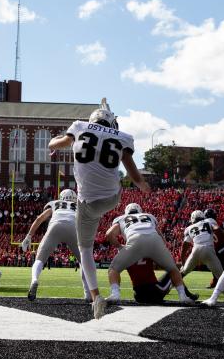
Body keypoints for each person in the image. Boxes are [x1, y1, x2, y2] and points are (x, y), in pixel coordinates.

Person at [48, 98, 149, 319]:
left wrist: (52, 145)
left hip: (86, 203)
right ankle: (94, 296)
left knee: (85, 250)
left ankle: (95, 297)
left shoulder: (79, 126)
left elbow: (58, 143)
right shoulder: (122, 137)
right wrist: (142, 185)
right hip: (112, 198)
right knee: (114, 185)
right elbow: (133, 173)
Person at [100, 203, 195, 315]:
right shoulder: (149, 216)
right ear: (140, 211)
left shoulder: (121, 218)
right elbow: (161, 237)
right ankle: (183, 296)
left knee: (113, 269)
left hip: (134, 240)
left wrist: (120, 247)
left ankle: (115, 294)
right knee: (173, 269)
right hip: (154, 239)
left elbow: (109, 234)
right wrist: (160, 251)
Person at [20, 188, 90, 301]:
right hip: (74, 227)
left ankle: (34, 280)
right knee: (84, 262)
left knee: (39, 259)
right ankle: (87, 293)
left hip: (55, 226)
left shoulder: (55, 203)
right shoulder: (79, 205)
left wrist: (28, 236)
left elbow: (39, 218)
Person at [180, 210, 224, 298]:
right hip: (208, 250)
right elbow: (217, 229)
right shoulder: (209, 221)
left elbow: (184, 246)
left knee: (183, 272)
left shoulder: (189, 228)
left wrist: (183, 262)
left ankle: (169, 286)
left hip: (196, 250)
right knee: (220, 275)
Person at [126, 259, 200, 304]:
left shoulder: (128, 253)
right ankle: (187, 295)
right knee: (174, 272)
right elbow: (163, 264)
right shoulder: (148, 250)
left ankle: (185, 293)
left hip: (138, 295)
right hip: (154, 294)